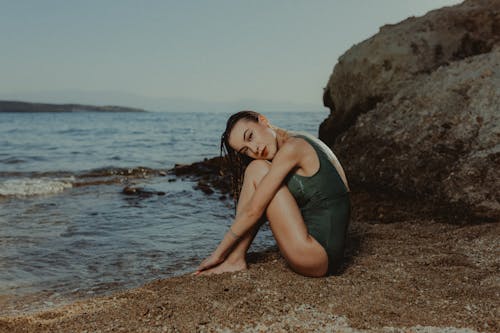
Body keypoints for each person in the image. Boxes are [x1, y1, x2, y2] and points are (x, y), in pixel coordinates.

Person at [195, 110, 351, 277]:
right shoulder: (298, 138)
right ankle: (235, 258)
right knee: (260, 175)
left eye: (250, 136)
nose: (254, 149)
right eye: (245, 150)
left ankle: (234, 259)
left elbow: (253, 211)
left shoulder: (292, 148)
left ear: (263, 120)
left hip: (314, 257)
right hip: (329, 255)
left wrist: (217, 255)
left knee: (256, 169)